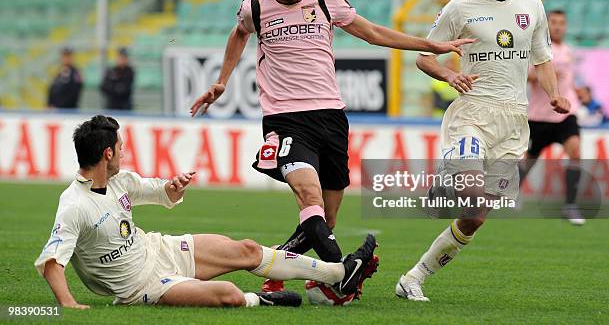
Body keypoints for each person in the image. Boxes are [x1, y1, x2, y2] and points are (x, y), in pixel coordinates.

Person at [189, 0, 472, 301]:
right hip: (285, 119)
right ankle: (341, 271)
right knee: (309, 196)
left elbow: (371, 33)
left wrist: (429, 46)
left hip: (331, 116)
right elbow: (238, 35)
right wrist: (221, 81)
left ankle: (278, 268)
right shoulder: (255, 9)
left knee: (327, 220)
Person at [34, 115, 377, 308]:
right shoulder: (74, 205)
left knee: (245, 249)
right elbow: (52, 262)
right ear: (107, 153)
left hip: (159, 249)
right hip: (142, 286)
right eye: (121, 147)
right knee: (227, 293)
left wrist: (174, 187)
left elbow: (157, 190)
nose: (125, 153)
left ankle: (337, 274)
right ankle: (261, 300)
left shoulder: (119, 181)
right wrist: (68, 303)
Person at [397, 0, 571, 302]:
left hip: (513, 123)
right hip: (472, 112)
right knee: (470, 189)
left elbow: (542, 60)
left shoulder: (533, 8)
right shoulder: (459, 8)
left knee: (475, 217)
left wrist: (554, 94)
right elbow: (424, 56)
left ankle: (414, 277)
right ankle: (446, 183)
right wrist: (448, 75)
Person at [519, 10, 584, 225]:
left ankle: (570, 205)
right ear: (547, 26)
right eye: (553, 23)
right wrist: (546, 75)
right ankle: (514, 192)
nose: (557, 27)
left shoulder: (568, 51)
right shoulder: (538, 48)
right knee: (530, 158)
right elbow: (526, 76)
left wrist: (578, 91)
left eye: (561, 23)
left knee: (575, 151)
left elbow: (569, 80)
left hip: (567, 113)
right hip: (540, 115)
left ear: (565, 26)